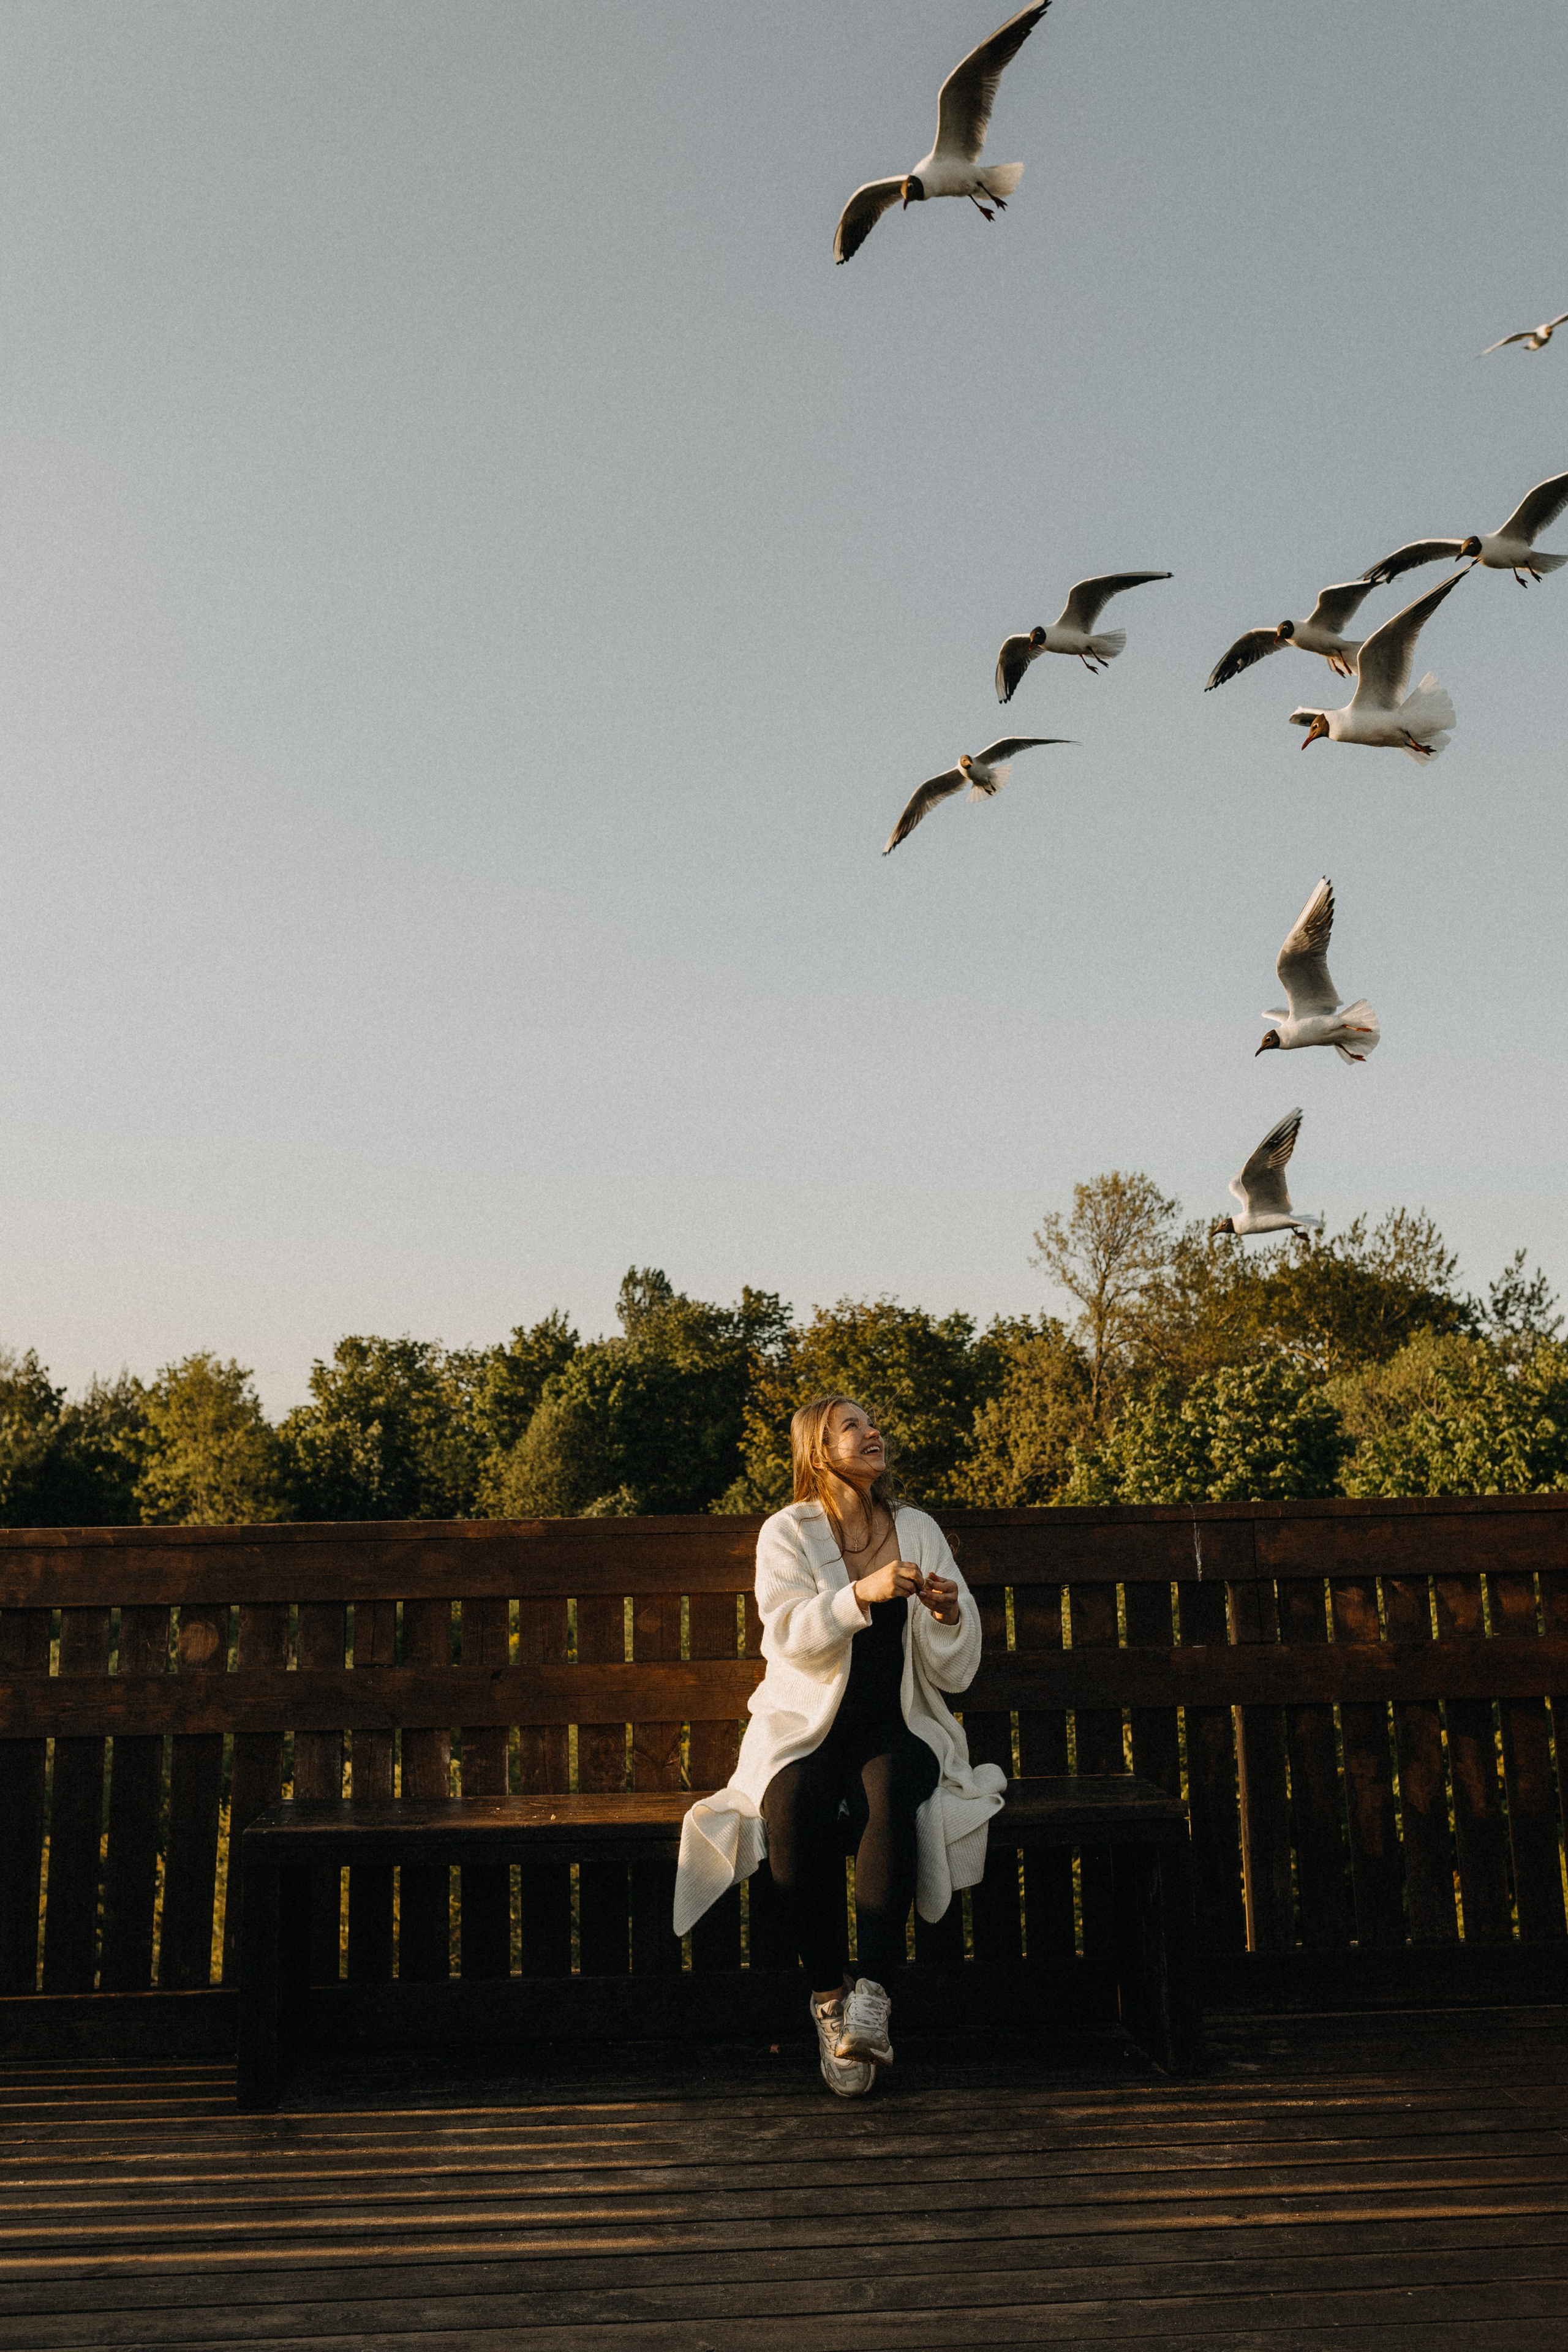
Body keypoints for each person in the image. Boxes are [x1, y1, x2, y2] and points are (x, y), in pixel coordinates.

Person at [674, 1394, 1006, 2097]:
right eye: (851, 1426)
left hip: (898, 1725)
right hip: (807, 1727)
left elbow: (955, 1671)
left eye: (872, 1422)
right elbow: (786, 1636)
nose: (872, 1431)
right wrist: (861, 1595)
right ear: (818, 1451)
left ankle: (873, 2004)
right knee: (791, 1806)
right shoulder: (788, 1532)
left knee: (891, 1793)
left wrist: (948, 1615)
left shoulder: (916, 1528)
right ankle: (829, 1998)